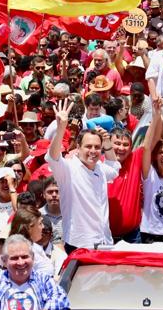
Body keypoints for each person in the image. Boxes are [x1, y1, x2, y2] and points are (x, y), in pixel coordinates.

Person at [48, 98, 120, 251]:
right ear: (78, 147)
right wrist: (61, 128)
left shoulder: (100, 168)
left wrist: (107, 143)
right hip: (79, 245)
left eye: (97, 147)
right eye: (88, 146)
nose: (93, 151)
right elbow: (53, 157)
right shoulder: (68, 169)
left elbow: (113, 169)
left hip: (105, 241)